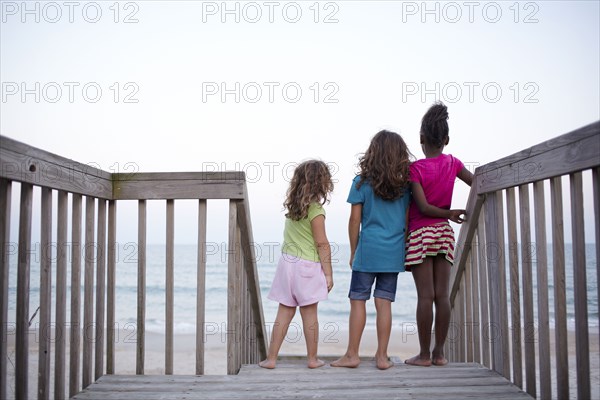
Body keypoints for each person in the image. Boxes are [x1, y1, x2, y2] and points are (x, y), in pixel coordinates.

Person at [331, 130, 412, 370]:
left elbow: (354, 221)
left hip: (368, 250)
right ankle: (381, 356)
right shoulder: (405, 185)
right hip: (393, 252)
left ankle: (352, 355)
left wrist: (353, 251)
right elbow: (407, 221)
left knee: (358, 301)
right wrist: (403, 249)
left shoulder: (361, 182)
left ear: (372, 153)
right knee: (384, 302)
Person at [404, 101, 473, 367]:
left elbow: (421, 207)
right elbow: (477, 181)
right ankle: (440, 353)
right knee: (442, 296)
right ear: (446, 139)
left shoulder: (416, 169)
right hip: (444, 234)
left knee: (425, 296)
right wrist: (452, 213)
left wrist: (447, 212)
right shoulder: (453, 163)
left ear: (421, 139)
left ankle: (423, 355)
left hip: (421, 233)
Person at [259, 160, 334, 369]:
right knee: (309, 314)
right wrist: (328, 274)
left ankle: (271, 358)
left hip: (286, 264)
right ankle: (312, 359)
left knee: (284, 311)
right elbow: (322, 243)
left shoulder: (293, 209)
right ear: (322, 183)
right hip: (306, 266)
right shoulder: (315, 210)